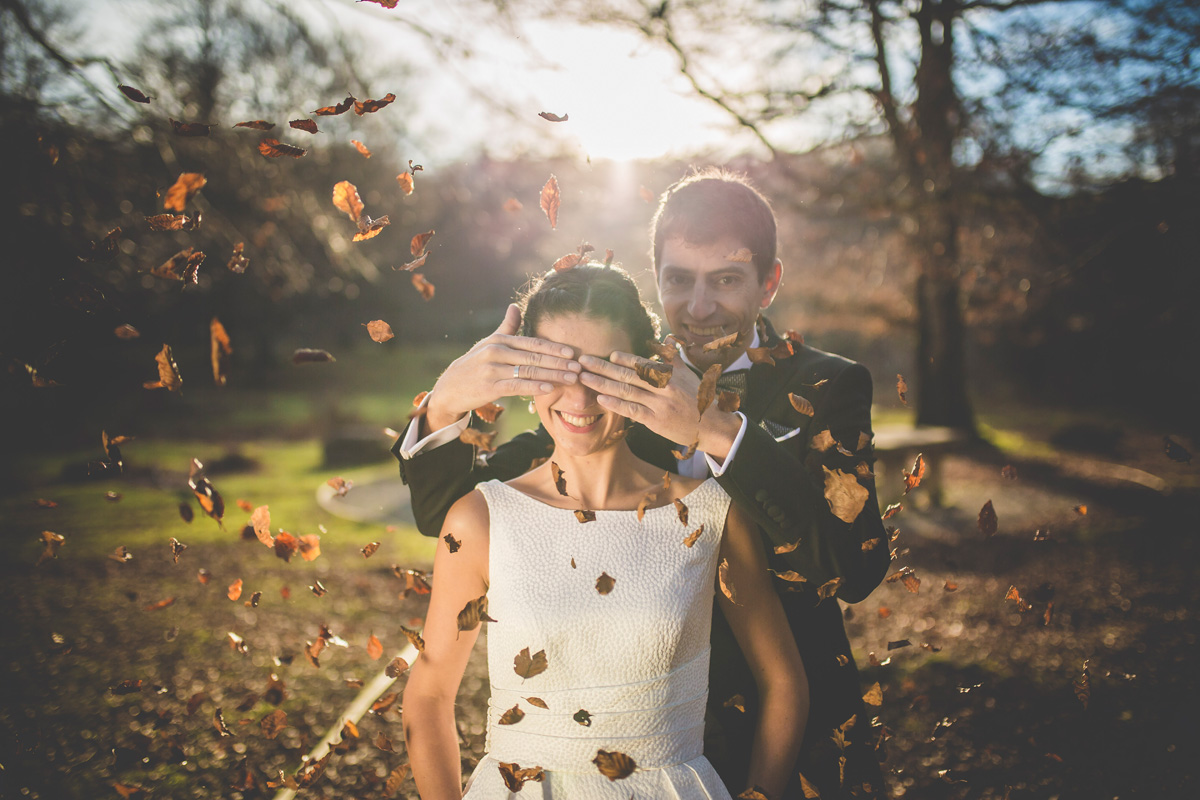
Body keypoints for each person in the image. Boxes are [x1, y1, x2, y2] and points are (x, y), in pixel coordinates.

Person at [395, 168, 890, 798]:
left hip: (785, 737)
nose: (701, 305)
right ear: (657, 282)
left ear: (770, 283)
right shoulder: (616, 386)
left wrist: (718, 432)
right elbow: (465, 515)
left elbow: (853, 568)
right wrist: (444, 405)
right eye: (680, 279)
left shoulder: (830, 387)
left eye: (727, 280)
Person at [402, 264, 808, 799]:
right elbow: (429, 692)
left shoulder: (712, 513)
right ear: (524, 369)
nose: (579, 397)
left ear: (646, 370)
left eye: (601, 372)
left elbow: (784, 684)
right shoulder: (478, 519)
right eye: (558, 368)